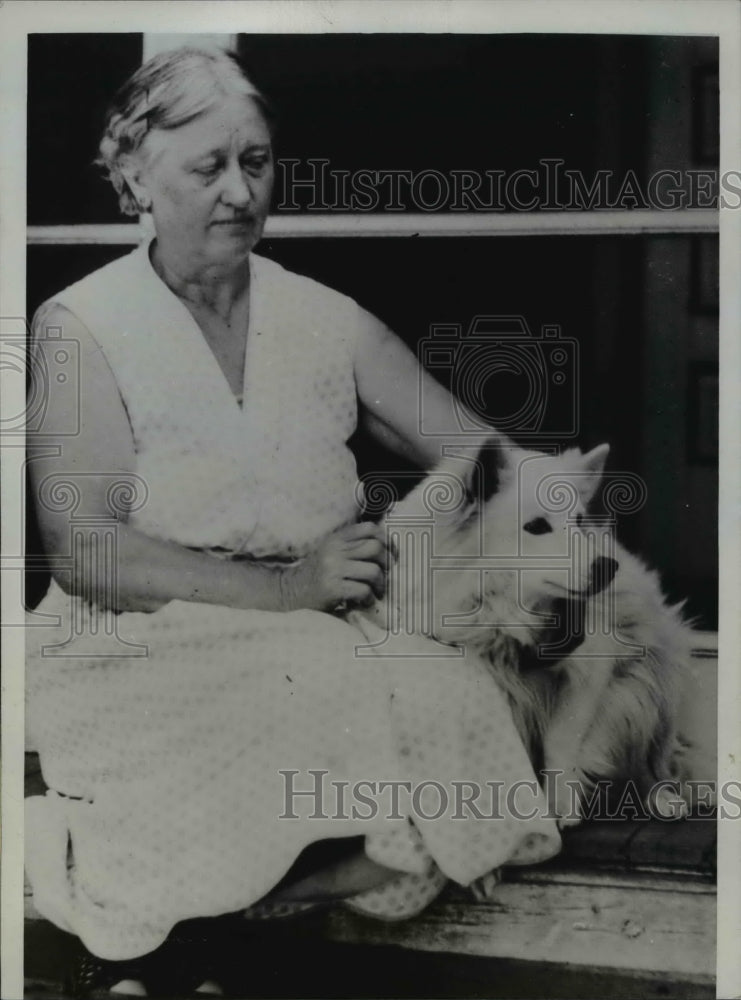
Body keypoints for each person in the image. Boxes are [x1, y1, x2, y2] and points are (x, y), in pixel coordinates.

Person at [25, 47, 559, 998]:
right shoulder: (85, 326)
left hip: (314, 627)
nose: (240, 191)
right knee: (319, 683)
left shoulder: (324, 320)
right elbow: (86, 551)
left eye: (258, 163)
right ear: (134, 176)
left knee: (448, 706)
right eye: (208, 167)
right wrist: (285, 587)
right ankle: (168, 938)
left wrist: (539, 523)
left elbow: (486, 465)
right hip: (139, 637)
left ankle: (191, 935)